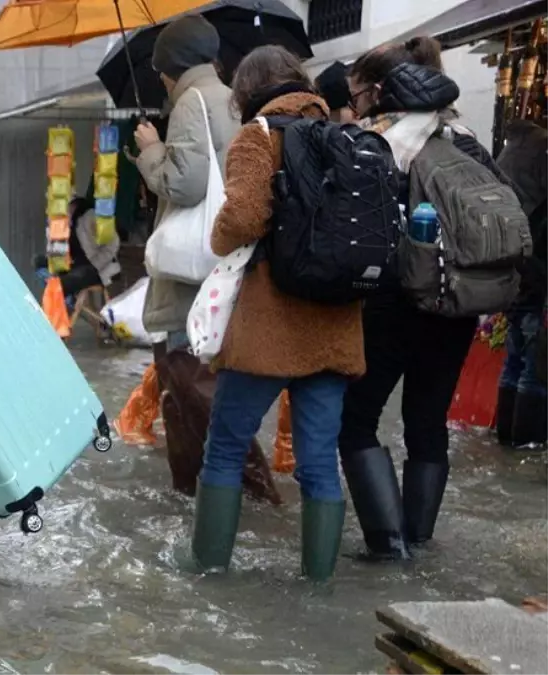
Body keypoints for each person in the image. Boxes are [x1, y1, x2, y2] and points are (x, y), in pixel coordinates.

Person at [189, 45, 363, 582]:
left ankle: (207, 567)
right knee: (317, 461)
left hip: (270, 325)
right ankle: (318, 584)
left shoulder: (259, 137)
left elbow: (242, 217)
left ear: (246, 91)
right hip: (336, 322)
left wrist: (215, 236)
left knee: (224, 447)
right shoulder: (345, 135)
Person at [338, 37, 510, 560]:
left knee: (356, 421)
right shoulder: (466, 137)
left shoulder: (380, 141)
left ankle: (388, 545)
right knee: (428, 422)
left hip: (392, 303)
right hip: (456, 303)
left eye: (359, 93)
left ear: (379, 90)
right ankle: (418, 539)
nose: (355, 104)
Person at [132, 15, 239, 353]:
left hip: (191, 281)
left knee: (187, 382)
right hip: (227, 256)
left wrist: (151, 150)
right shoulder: (231, 96)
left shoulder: (192, 100)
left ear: (170, 66)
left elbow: (185, 185)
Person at [495, 120, 547, 447]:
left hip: (514, 267)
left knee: (514, 359)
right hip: (536, 269)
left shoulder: (508, 153)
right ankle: (526, 440)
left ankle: (505, 436)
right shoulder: (538, 150)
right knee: (535, 366)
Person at [34, 194, 121, 301]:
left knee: (67, 281)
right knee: (39, 261)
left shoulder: (91, 217)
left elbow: (113, 242)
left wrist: (94, 265)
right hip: (75, 265)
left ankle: (66, 299)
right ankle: (64, 294)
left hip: (97, 267)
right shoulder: (65, 224)